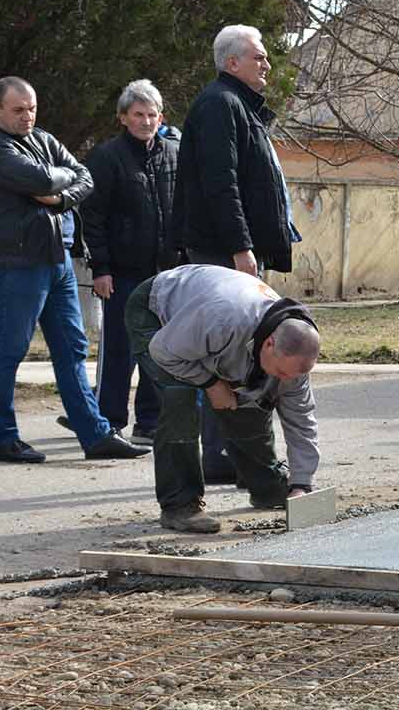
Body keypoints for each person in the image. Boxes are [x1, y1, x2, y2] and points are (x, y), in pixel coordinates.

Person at [0, 76, 150, 464]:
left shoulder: (43, 139)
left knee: (72, 349)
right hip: (18, 263)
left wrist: (58, 196)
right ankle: (4, 437)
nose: (27, 116)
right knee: (11, 350)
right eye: (18, 110)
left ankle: (96, 435)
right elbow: (43, 177)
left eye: (31, 108)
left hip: (57, 258)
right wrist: (54, 181)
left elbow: (83, 177)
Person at [175, 25, 301, 482]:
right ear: (232, 63)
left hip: (234, 251)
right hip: (221, 254)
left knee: (239, 352)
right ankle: (222, 456)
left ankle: (233, 453)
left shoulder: (239, 106)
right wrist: (240, 247)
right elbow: (220, 184)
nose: (267, 65)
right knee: (224, 354)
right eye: (259, 57)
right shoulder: (219, 105)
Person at [126, 264, 321, 533]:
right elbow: (162, 351)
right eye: (281, 372)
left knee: (251, 393)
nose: (284, 380)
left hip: (206, 329)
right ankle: (180, 506)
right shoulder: (224, 319)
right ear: (269, 345)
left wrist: (302, 485)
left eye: (290, 376)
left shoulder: (292, 360)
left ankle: (267, 488)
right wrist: (211, 383)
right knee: (180, 398)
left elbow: (301, 422)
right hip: (158, 313)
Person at [78, 80, 181, 445]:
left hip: (165, 272)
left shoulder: (173, 154)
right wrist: (101, 269)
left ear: (161, 117)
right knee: (119, 348)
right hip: (121, 272)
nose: (146, 121)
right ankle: (109, 421)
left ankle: (149, 422)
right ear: (123, 117)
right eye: (138, 114)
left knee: (160, 348)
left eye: (152, 115)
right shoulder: (107, 158)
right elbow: (93, 217)